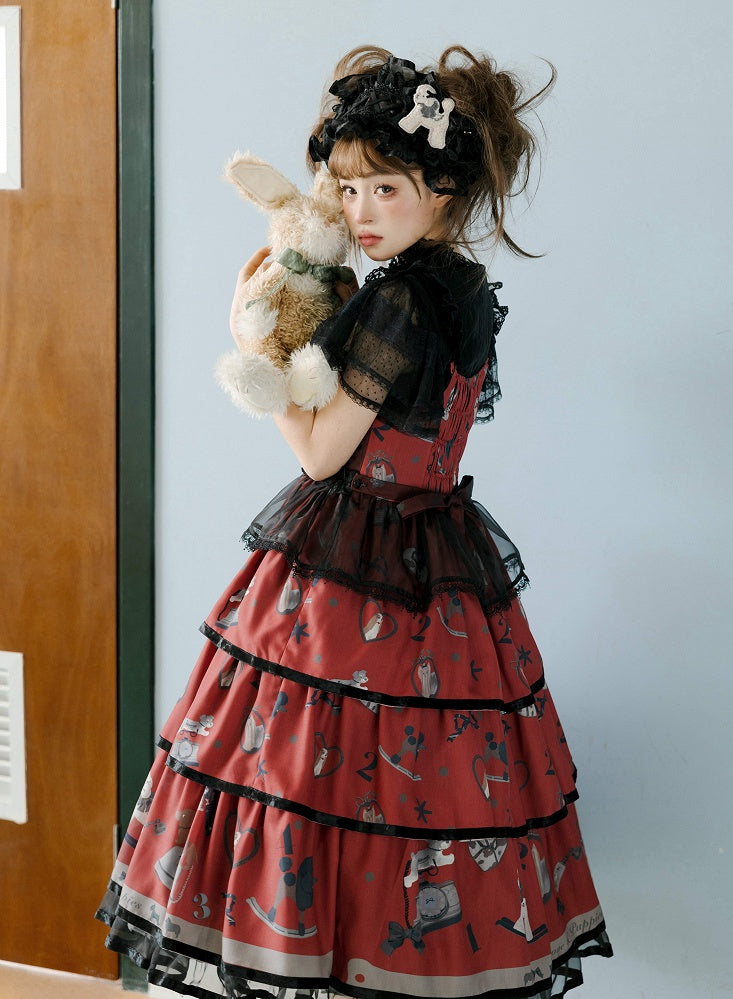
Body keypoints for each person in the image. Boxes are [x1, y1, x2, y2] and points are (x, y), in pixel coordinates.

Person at [97, 45, 613, 999]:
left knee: (313, 774)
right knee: (417, 786)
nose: (361, 212)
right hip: (441, 567)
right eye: (347, 189)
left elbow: (320, 453)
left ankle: (312, 951)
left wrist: (251, 344)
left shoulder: (399, 302)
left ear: (445, 188)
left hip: (354, 572)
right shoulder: (458, 288)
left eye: (386, 187)